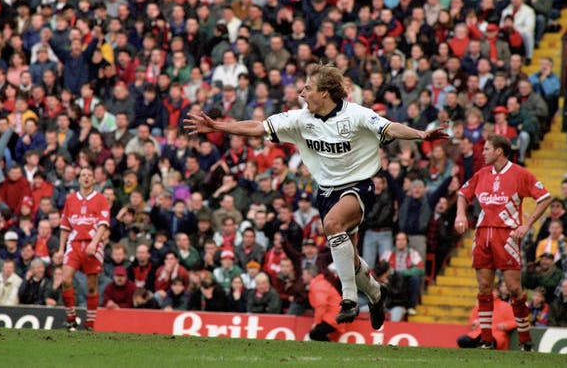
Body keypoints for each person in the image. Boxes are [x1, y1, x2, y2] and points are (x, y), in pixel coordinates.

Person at [185, 63, 448, 328]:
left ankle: (349, 299)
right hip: (326, 191)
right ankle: (377, 294)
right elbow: (258, 127)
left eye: (308, 88)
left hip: (358, 186)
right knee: (350, 259)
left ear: (324, 93)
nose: (302, 93)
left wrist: (421, 135)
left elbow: (390, 127)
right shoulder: (301, 119)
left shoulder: (355, 115)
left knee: (332, 225)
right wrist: (218, 126)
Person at [455, 134, 551, 350]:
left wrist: (526, 225)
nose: (483, 152)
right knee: (484, 287)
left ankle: (526, 340)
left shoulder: (520, 174)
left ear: (499, 151)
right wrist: (460, 215)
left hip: (506, 236)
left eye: (487, 148)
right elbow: (462, 193)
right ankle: (487, 339)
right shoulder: (481, 174)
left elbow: (544, 198)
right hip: (482, 235)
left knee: (514, 288)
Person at [58, 166, 111, 331]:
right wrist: (61, 249)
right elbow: (65, 226)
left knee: (91, 285)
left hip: (92, 244)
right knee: (66, 279)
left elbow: (103, 224)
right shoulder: (71, 199)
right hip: (74, 244)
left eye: (89, 175)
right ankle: (71, 317)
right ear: (79, 179)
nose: (86, 178)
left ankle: (89, 323)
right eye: (83, 175)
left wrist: (95, 243)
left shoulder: (101, 199)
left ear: (94, 180)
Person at [303, 264, 344, 341]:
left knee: (314, 334)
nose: (302, 277)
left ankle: (330, 348)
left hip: (333, 317)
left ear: (309, 275)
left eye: (304, 274)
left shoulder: (318, 285)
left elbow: (321, 305)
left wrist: (316, 322)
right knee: (316, 334)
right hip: (335, 316)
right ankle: (328, 347)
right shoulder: (320, 283)